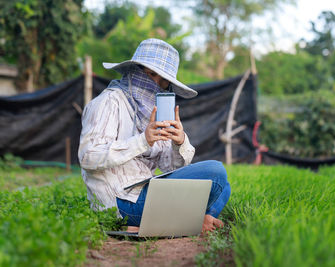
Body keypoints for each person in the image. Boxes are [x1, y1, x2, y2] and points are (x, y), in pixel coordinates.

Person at [78, 38, 231, 233]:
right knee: (215, 171)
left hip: (147, 191)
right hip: (120, 201)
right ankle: (189, 222)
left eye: (163, 81)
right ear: (134, 71)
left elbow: (169, 167)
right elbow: (88, 157)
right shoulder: (109, 102)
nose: (155, 84)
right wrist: (143, 140)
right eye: (151, 74)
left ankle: (198, 221)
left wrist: (179, 142)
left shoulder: (154, 114)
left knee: (223, 185)